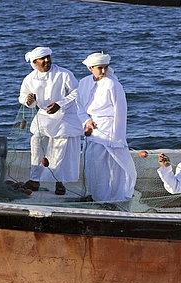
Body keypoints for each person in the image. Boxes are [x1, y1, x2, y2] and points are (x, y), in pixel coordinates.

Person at [19, 46, 83, 195]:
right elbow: (22, 97)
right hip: (43, 114)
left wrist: (60, 104)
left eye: (48, 57)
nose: (47, 60)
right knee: (36, 143)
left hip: (64, 114)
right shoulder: (30, 79)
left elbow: (77, 91)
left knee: (59, 147)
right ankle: (34, 180)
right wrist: (29, 101)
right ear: (35, 62)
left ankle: (58, 182)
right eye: (43, 58)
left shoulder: (63, 74)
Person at [76, 52, 136, 202]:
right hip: (92, 132)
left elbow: (120, 112)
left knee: (114, 168)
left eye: (106, 67)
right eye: (100, 68)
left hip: (110, 131)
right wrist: (86, 122)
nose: (103, 71)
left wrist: (117, 138)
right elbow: (80, 107)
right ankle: (97, 197)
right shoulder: (83, 83)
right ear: (90, 68)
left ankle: (115, 198)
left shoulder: (112, 84)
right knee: (94, 166)